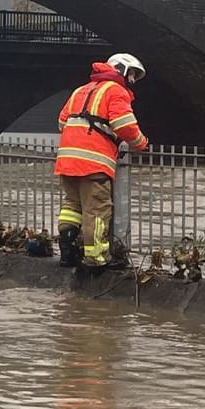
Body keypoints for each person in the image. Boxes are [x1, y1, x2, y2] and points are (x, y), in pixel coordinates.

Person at [55, 53, 149, 269]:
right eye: (132, 75)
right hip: (93, 161)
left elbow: (62, 123)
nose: (133, 81)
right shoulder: (116, 91)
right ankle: (96, 259)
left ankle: (67, 254)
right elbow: (124, 125)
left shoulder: (81, 90)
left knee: (72, 206)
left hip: (67, 159)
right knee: (97, 209)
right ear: (122, 70)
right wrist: (141, 143)